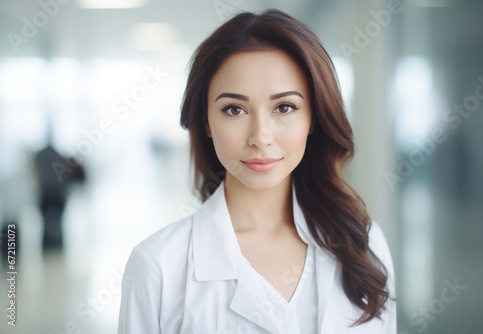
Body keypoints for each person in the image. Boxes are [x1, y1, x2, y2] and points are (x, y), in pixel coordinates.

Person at [118, 9, 396, 334]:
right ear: (207, 122)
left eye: (284, 107)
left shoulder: (364, 244)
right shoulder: (159, 266)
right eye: (234, 109)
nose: (260, 137)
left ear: (314, 119)